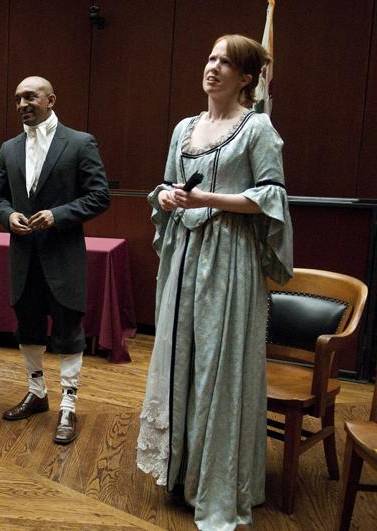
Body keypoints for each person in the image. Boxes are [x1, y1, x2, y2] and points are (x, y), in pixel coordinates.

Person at [136, 34, 293, 530]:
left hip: (229, 260)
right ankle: (182, 473)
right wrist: (164, 199)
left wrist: (210, 200)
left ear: (247, 78)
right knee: (181, 358)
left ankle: (218, 484)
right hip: (185, 255)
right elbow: (165, 184)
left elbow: (271, 198)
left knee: (217, 368)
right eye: (210, 57)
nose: (213, 67)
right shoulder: (185, 127)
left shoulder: (258, 128)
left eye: (226, 62)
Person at [0, 76, 110, 445]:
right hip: (24, 258)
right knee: (27, 327)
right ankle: (37, 393)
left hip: (63, 256)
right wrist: (7, 215)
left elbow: (100, 196)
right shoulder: (9, 148)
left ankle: (69, 406)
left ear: (51, 99)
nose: (22, 103)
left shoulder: (79, 142)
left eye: (30, 96)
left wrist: (58, 215)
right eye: (17, 99)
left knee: (68, 332)